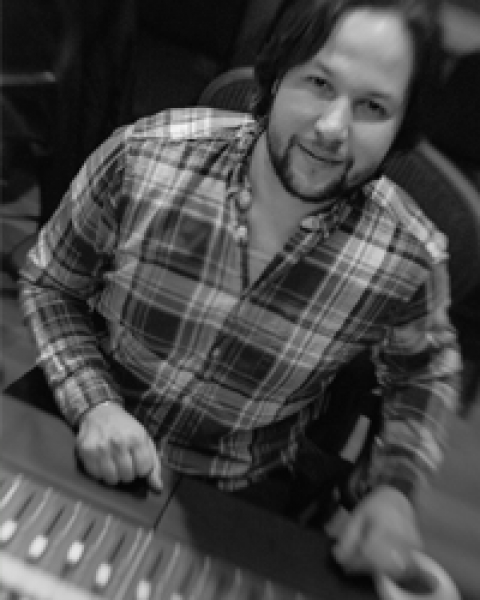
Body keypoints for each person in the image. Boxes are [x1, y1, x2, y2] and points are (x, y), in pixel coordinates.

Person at [19, 0, 460, 582]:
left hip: (237, 487)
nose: (332, 129)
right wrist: (95, 403)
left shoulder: (409, 257)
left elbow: (423, 372)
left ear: (402, 127)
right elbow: (52, 283)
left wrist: (393, 488)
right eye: (319, 83)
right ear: (276, 76)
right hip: (76, 424)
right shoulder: (144, 156)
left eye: (372, 107)